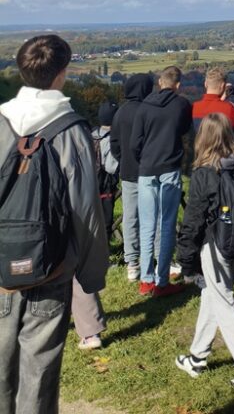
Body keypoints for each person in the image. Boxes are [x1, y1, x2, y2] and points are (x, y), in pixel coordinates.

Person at [0, 34, 109, 414]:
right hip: (53, 267)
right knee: (40, 375)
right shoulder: (70, 129)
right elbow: (85, 210)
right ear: (61, 73)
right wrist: (91, 274)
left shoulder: (1, 121)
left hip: (0, 266)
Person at [175, 113, 234, 392]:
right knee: (213, 295)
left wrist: (186, 260)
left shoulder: (204, 174)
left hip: (215, 245)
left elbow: (193, 220)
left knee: (224, 301)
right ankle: (197, 357)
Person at [130, 65, 192, 297]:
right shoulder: (182, 105)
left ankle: (146, 280)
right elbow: (184, 130)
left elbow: (135, 143)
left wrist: (144, 159)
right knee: (167, 225)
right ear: (178, 85)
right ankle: (162, 281)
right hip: (170, 168)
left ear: (160, 83)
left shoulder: (144, 106)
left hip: (147, 168)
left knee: (147, 225)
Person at [110, 72, 154, 280]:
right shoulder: (150, 110)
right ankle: (152, 258)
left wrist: (125, 159)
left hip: (128, 171)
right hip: (151, 170)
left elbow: (114, 145)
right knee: (153, 216)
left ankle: (132, 262)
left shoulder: (120, 112)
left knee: (130, 217)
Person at [192, 68, 234, 132]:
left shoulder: (193, 107)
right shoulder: (228, 108)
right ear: (223, 85)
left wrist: (222, 98)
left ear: (205, 84)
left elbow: (212, 107)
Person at [93, 101, 119, 244]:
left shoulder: (90, 134)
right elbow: (111, 167)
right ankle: (103, 250)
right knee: (105, 221)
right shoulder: (111, 139)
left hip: (88, 185)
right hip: (105, 186)